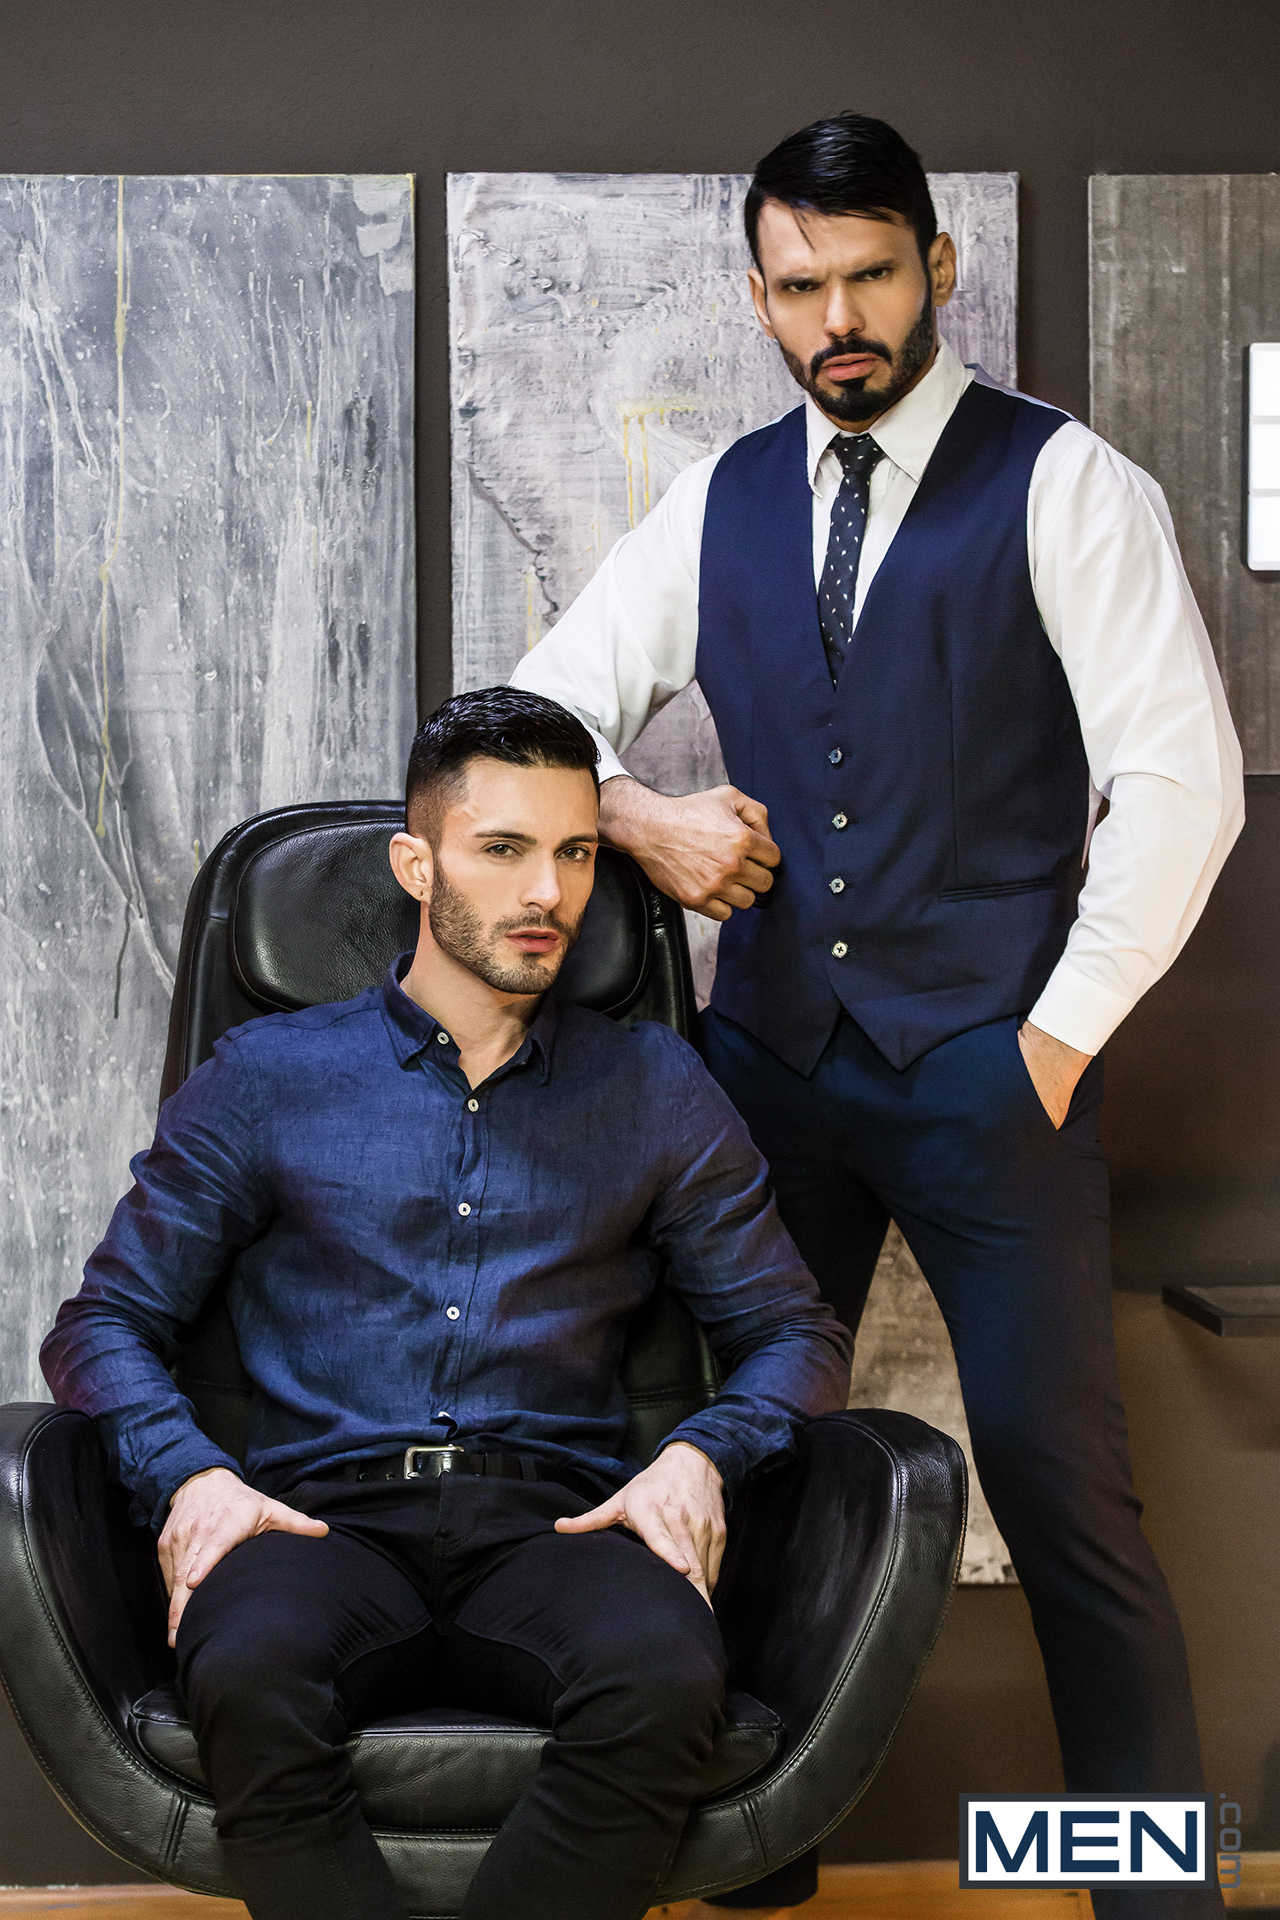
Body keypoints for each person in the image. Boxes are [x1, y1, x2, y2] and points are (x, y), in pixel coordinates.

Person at [513, 113, 1243, 1919]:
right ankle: (761, 1882)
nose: (838, 318)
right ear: (756, 295)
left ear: (937, 266)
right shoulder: (723, 500)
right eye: (800, 286)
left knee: (1065, 1500)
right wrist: (642, 817)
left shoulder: (1067, 486)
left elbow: (1185, 786)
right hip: (768, 1072)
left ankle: (1152, 1899)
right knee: (743, 1466)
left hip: (996, 1069)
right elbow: (526, 721)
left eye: (870, 276)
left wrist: (1052, 1042)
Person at [40, 687, 852, 1920]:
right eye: (503, 849)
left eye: (575, 853)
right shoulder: (268, 1077)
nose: (548, 893)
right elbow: (101, 1324)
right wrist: (190, 1476)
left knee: (661, 1678)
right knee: (248, 1672)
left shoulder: (653, 1086)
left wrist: (701, 1456)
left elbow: (794, 1334)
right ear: (415, 866)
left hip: (555, 1524)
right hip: (315, 1523)